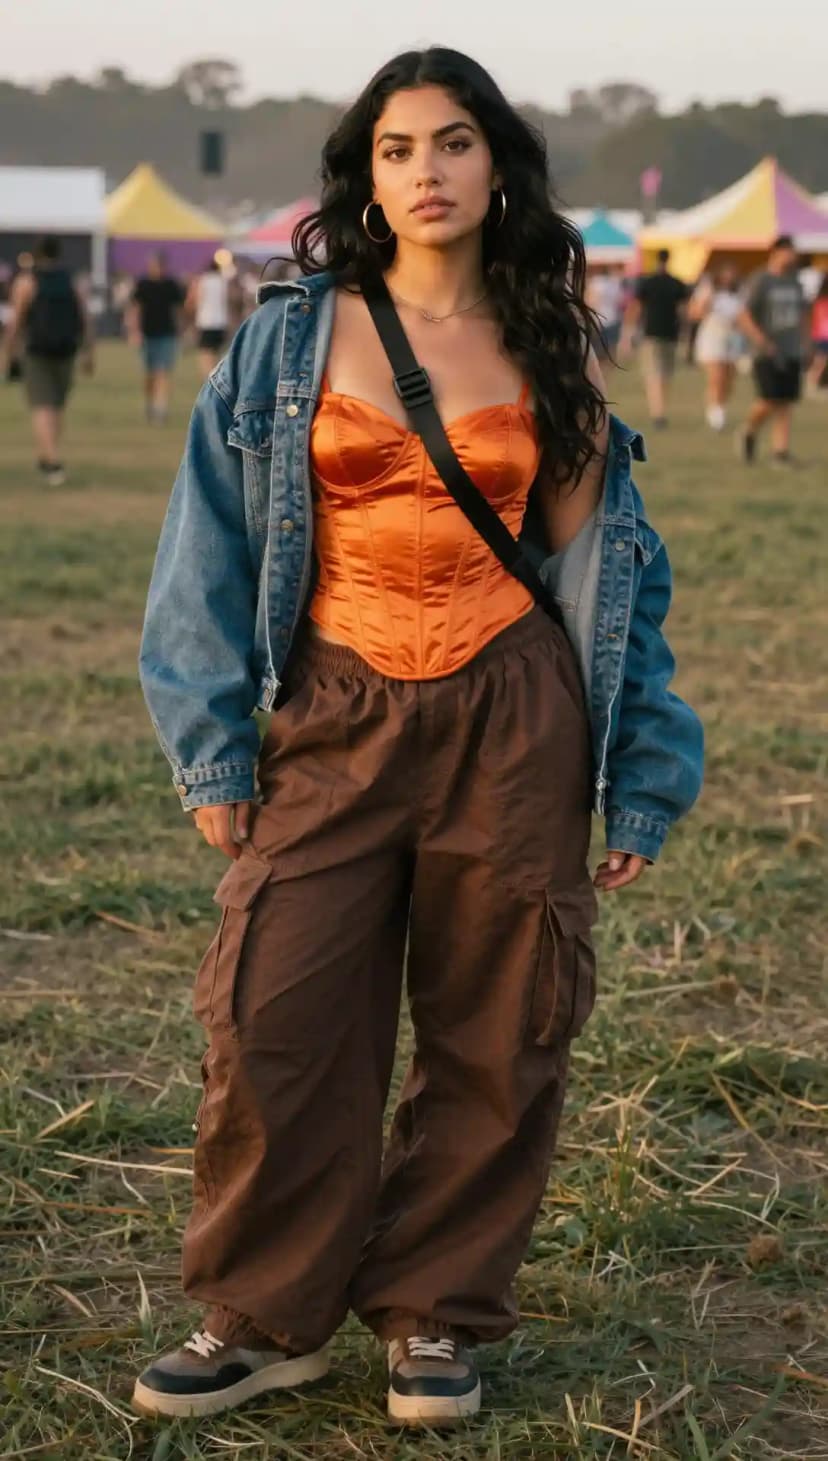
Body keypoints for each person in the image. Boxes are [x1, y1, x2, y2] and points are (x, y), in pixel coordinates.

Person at [135, 47, 703, 1428]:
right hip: (335, 705)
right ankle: (264, 1316)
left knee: (499, 1025)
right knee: (273, 1007)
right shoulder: (290, 332)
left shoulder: (549, 335)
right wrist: (213, 747)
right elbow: (204, 547)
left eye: (453, 144)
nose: (427, 172)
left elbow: (615, 569)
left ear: (495, 164)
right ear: (365, 175)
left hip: (515, 721)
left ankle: (436, 1313)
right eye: (397, 149)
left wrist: (639, 770)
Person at [1, 235, 93, 485]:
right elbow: (84, 317)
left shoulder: (27, 282)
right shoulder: (71, 281)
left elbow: (16, 322)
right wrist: (88, 351)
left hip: (37, 351)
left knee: (42, 405)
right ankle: (47, 455)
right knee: (57, 405)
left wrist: (9, 353)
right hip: (66, 350)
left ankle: (52, 461)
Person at [737, 236, 809, 465]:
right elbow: (745, 315)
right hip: (766, 351)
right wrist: (761, 340)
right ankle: (748, 430)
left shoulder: (795, 281)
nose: (794, 256)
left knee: (787, 401)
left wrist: (806, 344)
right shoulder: (762, 280)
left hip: (791, 349)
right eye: (790, 251)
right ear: (777, 252)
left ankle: (781, 452)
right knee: (769, 399)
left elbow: (803, 315)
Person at [624, 248, 689, 428]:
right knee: (665, 375)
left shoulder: (647, 282)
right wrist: (686, 334)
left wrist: (628, 333)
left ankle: (657, 412)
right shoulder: (676, 283)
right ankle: (660, 411)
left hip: (650, 333)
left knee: (654, 375)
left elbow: (635, 308)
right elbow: (683, 311)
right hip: (671, 333)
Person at [127, 252, 185, 423]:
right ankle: (150, 404)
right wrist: (135, 331)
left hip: (167, 334)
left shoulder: (171, 285)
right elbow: (135, 309)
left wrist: (181, 330)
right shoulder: (143, 285)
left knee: (164, 372)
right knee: (149, 373)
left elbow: (177, 310)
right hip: (148, 334)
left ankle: (161, 408)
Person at [688, 264, 743, 430]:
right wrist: (706, 302)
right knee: (716, 377)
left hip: (732, 337)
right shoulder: (707, 292)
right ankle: (715, 412)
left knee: (729, 377)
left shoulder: (738, 294)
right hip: (712, 336)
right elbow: (694, 314)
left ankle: (721, 406)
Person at [186, 258, 231, 379]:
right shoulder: (223, 281)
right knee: (217, 354)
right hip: (221, 322)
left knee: (205, 354)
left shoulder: (203, 280)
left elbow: (196, 300)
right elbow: (227, 302)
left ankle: (209, 381)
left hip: (206, 321)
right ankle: (218, 379)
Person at [586, 264, 625, 363]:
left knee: (597, 354)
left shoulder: (595, 283)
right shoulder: (615, 283)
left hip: (598, 320)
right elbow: (620, 302)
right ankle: (607, 375)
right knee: (611, 352)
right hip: (613, 319)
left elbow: (591, 302)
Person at [805, 272, 828, 396]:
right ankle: (812, 383)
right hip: (823, 335)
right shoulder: (821, 301)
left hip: (819, 334)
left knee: (820, 360)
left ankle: (815, 382)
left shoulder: (818, 300)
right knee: (820, 361)